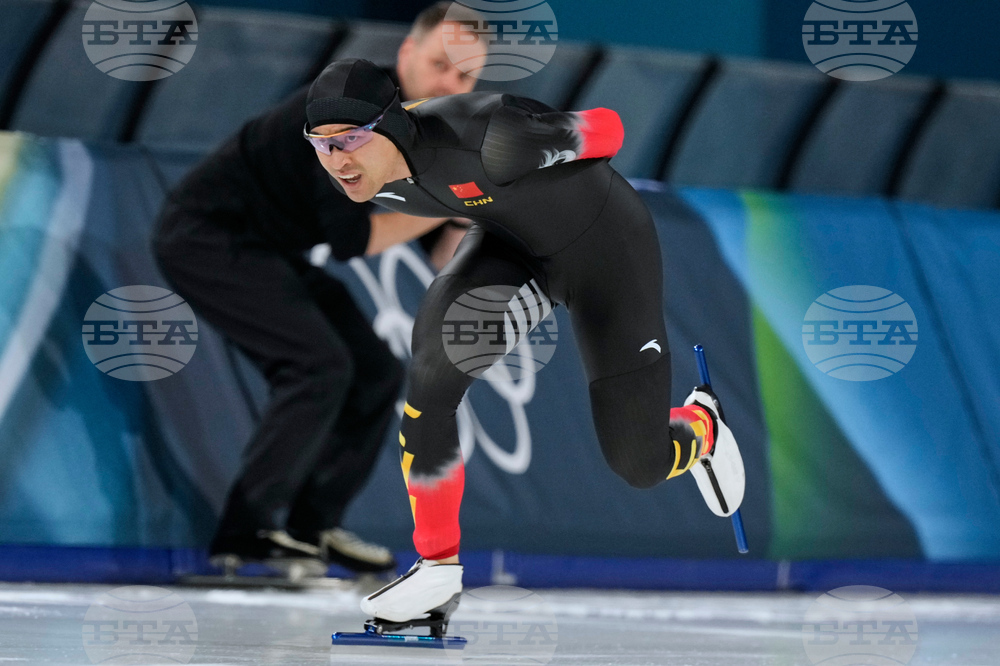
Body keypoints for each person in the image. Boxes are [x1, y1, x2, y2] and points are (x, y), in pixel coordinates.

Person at [301, 58, 747, 629]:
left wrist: (550, 149)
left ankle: (702, 427)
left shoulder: (489, 136)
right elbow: (441, 196)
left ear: (393, 124)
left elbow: (608, 127)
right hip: (512, 246)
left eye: (352, 140)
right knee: (433, 368)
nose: (337, 160)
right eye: (321, 144)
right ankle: (436, 568)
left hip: (607, 251)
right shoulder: (355, 172)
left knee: (639, 463)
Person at [152, 3, 481, 577]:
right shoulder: (351, 103)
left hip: (272, 247)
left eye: (466, 77)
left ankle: (312, 528)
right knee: (319, 365)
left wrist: (468, 208)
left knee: (374, 369)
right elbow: (358, 235)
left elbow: (438, 255)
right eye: (440, 65)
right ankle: (247, 534)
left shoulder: (433, 135)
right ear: (407, 52)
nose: (450, 84)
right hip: (208, 234)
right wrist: (455, 198)